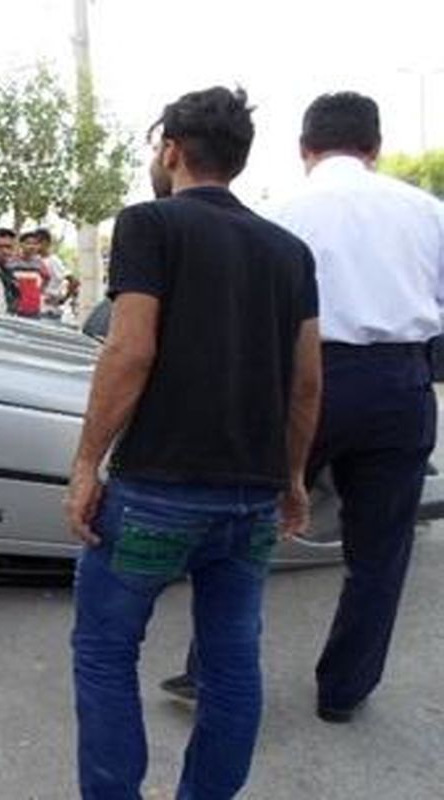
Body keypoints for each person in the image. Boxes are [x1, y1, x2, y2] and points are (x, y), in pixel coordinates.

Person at [65, 86, 321, 799]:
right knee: (233, 663)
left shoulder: (149, 225)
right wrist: (293, 477)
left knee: (106, 654)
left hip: (156, 494)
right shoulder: (289, 252)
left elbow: (129, 351)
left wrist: (87, 464)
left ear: (171, 149)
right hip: (249, 505)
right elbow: (305, 384)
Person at [160, 91, 444, 726]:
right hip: (400, 383)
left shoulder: (279, 214)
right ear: (375, 148)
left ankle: (211, 673)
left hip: (298, 380)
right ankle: (343, 691)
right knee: (380, 553)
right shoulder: (429, 213)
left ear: (304, 149)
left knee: (248, 529)